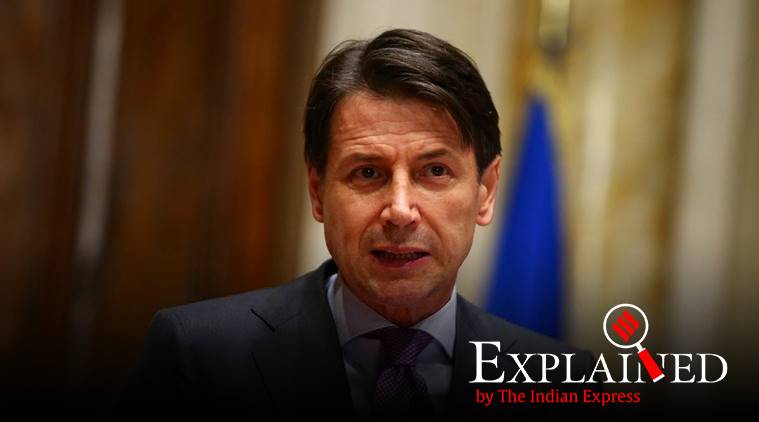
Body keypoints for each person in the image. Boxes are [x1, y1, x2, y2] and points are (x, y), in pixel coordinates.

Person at [116, 28, 595, 419]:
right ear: (318, 191)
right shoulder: (198, 356)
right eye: (367, 173)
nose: (400, 210)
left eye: (434, 171)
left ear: (485, 191)